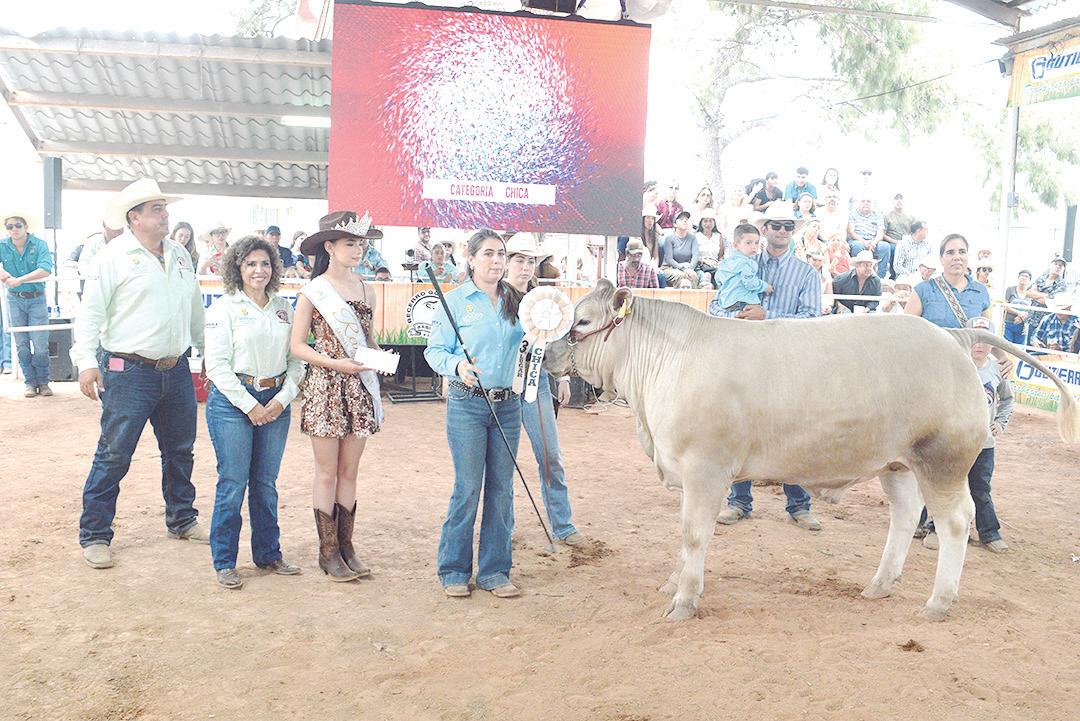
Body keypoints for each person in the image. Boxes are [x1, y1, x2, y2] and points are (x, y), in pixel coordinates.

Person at [72, 178, 207, 569]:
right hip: (127, 370)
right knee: (114, 454)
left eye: (165, 208)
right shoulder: (112, 256)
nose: (166, 215)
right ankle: (95, 533)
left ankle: (182, 518)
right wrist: (86, 361)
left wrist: (208, 352)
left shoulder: (179, 255)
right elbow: (91, 313)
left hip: (176, 368)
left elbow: (194, 309)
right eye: (157, 209)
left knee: (180, 450)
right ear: (134, 218)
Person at [708, 203, 822, 531]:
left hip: (787, 363)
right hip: (744, 360)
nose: (782, 231)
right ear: (765, 229)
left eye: (788, 226)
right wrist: (735, 315)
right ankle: (739, 501)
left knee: (793, 431)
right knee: (738, 429)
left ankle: (799, 504)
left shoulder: (806, 273)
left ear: (792, 231)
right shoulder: (740, 262)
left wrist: (766, 316)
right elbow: (716, 304)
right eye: (776, 225)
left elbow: (813, 320)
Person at [424, 229, 525, 599]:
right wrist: (457, 366)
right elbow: (434, 351)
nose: (496, 261)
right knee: (468, 488)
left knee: (502, 490)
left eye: (501, 254)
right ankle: (453, 569)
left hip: (508, 406)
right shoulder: (454, 301)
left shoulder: (519, 301)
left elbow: (532, 345)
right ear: (470, 258)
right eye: (488, 254)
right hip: (467, 403)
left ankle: (495, 571)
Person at [204, 235, 304, 589]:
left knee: (265, 483)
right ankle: (224, 561)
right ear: (237, 268)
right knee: (233, 482)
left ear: (274, 268)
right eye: (250, 264)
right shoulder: (223, 309)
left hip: (276, 400)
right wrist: (251, 406)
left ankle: (268, 553)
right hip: (233, 404)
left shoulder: (284, 308)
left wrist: (282, 399)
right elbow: (216, 366)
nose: (258, 270)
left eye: (264, 263)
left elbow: (296, 360)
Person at [290, 211, 385, 582]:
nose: (358, 250)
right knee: (327, 472)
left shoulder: (367, 289)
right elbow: (298, 346)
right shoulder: (313, 291)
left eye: (361, 243)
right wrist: (334, 363)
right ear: (329, 247)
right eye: (350, 243)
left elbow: (369, 339)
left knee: (349, 471)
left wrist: (380, 359)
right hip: (326, 387)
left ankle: (347, 546)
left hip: (359, 387)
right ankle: (327, 550)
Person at [504, 233, 584, 547]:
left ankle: (562, 525)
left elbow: (555, 341)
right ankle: (503, 526)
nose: (525, 267)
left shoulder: (543, 299)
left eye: (530, 261)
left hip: (534, 385)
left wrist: (562, 377)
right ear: (507, 262)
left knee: (550, 455)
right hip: (502, 387)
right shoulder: (494, 297)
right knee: (502, 462)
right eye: (519, 260)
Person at [922, 317, 1013, 554]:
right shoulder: (953, 366)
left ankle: (989, 533)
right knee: (946, 485)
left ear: (993, 344)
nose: (979, 344)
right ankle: (936, 529)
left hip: (983, 443)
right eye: (975, 338)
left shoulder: (997, 371)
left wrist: (1000, 423)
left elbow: (1007, 400)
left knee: (980, 487)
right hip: (953, 442)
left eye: (985, 339)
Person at [0, 212, 54, 397]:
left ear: (26, 227)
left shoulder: (39, 244)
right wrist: (5, 276)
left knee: (40, 344)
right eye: (10, 226)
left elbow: (45, 269)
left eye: (18, 225)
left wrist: (19, 280)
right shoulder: (2, 245)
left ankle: (43, 382)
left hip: (37, 298)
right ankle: (30, 382)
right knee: (21, 344)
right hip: (14, 299)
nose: (14, 229)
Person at [905, 234, 991, 328]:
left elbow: (986, 333)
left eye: (962, 252)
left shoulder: (981, 291)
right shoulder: (923, 290)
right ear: (941, 259)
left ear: (967, 256)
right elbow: (906, 329)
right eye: (950, 252)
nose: (957, 257)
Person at [714, 224, 771, 314]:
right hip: (744, 302)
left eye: (756, 243)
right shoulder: (747, 263)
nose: (753, 246)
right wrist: (765, 286)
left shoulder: (725, 262)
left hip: (726, 302)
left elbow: (718, 279)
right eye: (748, 243)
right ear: (736, 245)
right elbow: (750, 283)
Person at [847, 196, 891, 279]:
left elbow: (880, 233)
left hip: (874, 241)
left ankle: (880, 277)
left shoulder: (878, 215)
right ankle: (858, 275)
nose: (866, 203)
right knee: (858, 246)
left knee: (885, 246)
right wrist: (864, 242)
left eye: (868, 201)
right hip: (857, 240)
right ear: (859, 203)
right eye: (863, 201)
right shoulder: (853, 214)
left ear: (872, 204)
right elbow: (851, 232)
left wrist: (874, 243)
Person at [660, 211, 699, 288]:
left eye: (686, 219)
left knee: (693, 275)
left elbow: (695, 256)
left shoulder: (693, 238)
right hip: (669, 268)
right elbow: (669, 259)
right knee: (681, 275)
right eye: (681, 219)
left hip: (687, 268)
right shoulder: (669, 238)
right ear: (675, 224)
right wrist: (683, 269)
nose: (685, 221)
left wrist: (690, 268)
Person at [1003, 270, 1034, 345]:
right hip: (1009, 323)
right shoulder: (1010, 289)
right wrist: (1019, 313)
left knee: (1019, 348)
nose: (1024, 278)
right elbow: (1005, 306)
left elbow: (1031, 311)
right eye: (1022, 275)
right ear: (1018, 278)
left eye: (1026, 276)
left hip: (1022, 325)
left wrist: (1021, 318)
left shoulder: (1031, 294)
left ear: (1029, 280)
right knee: (1007, 346)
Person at [695, 209, 723, 288]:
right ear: (701, 223)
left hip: (715, 264)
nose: (708, 224)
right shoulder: (696, 236)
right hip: (701, 264)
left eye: (710, 221)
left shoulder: (718, 236)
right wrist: (705, 261)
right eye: (705, 221)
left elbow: (721, 255)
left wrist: (720, 262)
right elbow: (693, 256)